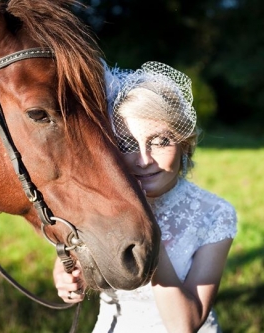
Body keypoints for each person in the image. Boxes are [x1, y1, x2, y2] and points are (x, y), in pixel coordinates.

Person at [53, 61, 237, 333]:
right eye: (127, 144)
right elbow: (70, 260)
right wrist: (65, 276)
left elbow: (185, 324)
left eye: (160, 141)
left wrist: (147, 225)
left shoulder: (215, 214)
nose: (144, 159)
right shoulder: (100, 205)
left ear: (185, 144)